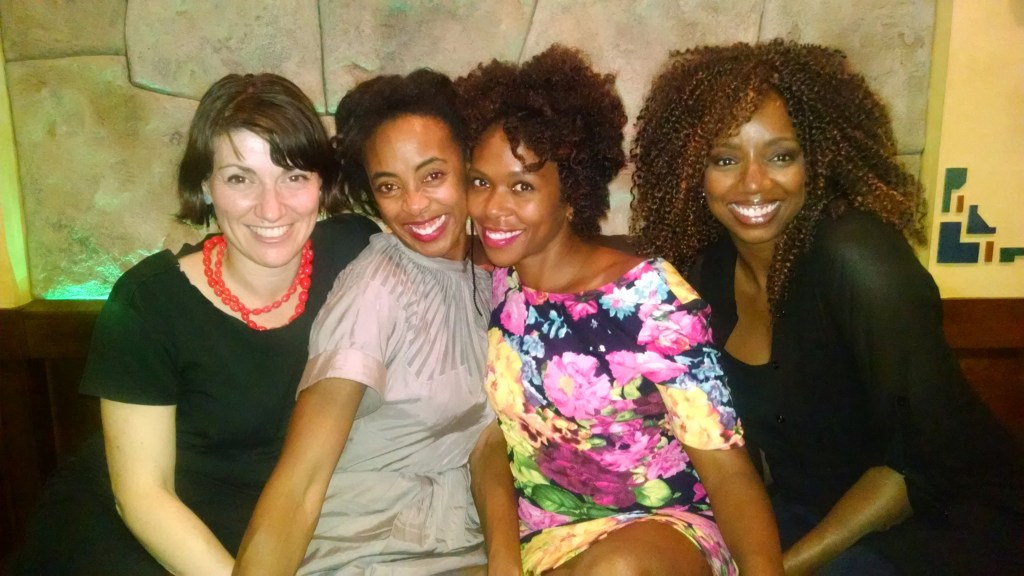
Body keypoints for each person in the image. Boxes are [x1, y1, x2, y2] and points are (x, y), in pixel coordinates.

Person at [629, 39, 1024, 575]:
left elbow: (918, 467)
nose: (753, 182)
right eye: (725, 159)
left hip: (947, 519)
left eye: (781, 156)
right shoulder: (706, 274)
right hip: (815, 514)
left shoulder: (859, 260)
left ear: (816, 161)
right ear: (690, 172)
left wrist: (780, 568)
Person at [10, 73, 378, 575]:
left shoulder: (354, 253)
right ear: (205, 186)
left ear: (321, 183)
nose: (271, 207)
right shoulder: (149, 304)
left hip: (274, 533)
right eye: (239, 178)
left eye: (293, 176)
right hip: (140, 537)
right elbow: (143, 496)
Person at [456, 44, 784, 576]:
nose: (493, 207)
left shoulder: (649, 296)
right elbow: (496, 439)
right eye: (480, 182)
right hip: (546, 543)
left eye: (522, 186)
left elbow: (726, 468)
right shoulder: (499, 288)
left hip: (662, 533)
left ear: (571, 195)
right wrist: (503, 559)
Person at [233, 69, 493, 575]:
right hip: (362, 554)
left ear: (468, 165)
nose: (414, 204)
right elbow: (301, 482)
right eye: (389, 186)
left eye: (432, 175)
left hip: (454, 548)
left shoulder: (492, 275)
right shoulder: (376, 289)